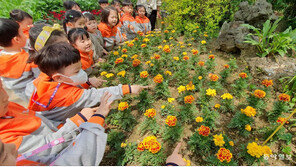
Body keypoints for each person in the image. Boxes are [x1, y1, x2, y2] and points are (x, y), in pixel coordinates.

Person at [0, 79, 115, 166]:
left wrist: (80, 127)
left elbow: (45, 123)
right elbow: (64, 158)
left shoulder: (7, 107)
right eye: (3, 155)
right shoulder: (7, 140)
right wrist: (87, 121)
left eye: (1, 87)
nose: (5, 96)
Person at [28, 42, 148, 123]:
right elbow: (96, 95)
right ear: (58, 78)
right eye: (77, 71)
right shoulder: (68, 96)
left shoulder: (45, 77)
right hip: (59, 127)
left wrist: (87, 82)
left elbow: (70, 83)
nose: (81, 72)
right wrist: (129, 89)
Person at [0, 18, 39, 102]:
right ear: (16, 39)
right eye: (22, 32)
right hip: (33, 92)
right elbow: (40, 78)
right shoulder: (29, 59)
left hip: (15, 92)